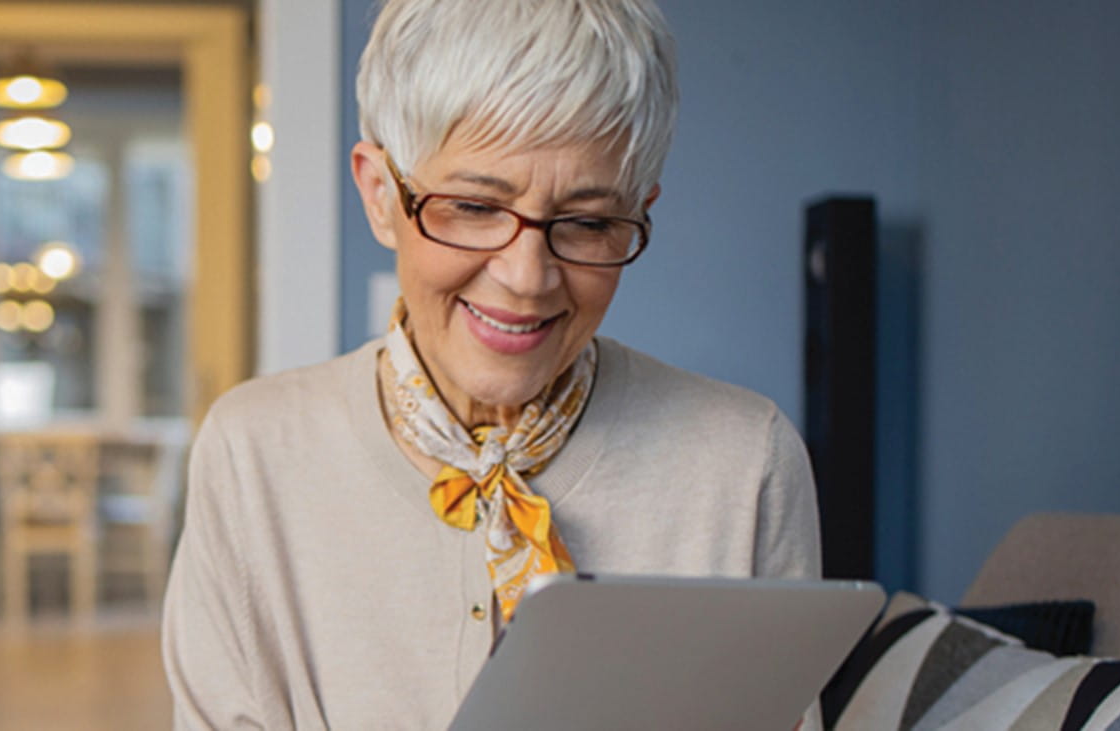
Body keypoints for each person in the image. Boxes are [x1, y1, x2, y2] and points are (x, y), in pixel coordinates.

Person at [162, 0, 820, 727]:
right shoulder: (254, 453)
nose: (527, 277)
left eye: (589, 222)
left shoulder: (743, 462)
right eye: (474, 207)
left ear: (639, 210)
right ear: (381, 195)